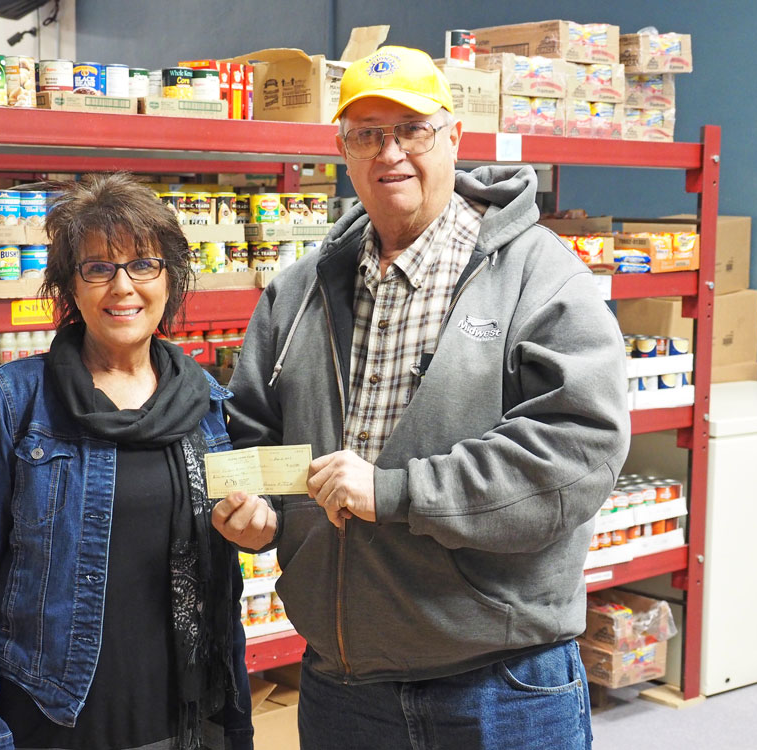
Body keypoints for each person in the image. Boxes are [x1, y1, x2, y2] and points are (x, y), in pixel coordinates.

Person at [211, 46, 630, 749]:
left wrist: (400, 491)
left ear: (454, 139)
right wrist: (257, 514)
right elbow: (253, 435)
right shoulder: (300, 289)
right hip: (345, 685)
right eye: (368, 133)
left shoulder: (537, 275)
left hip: (500, 687)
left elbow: (576, 454)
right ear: (343, 150)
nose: (391, 153)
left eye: (412, 130)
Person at [0, 173, 253, 750]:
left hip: (178, 711)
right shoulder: (17, 399)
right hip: (50, 712)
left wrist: (255, 530)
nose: (122, 287)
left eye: (143, 265)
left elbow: (225, 566)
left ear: (171, 278)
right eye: (98, 268)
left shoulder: (205, 401)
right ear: (70, 286)